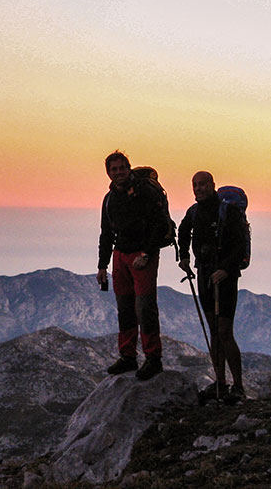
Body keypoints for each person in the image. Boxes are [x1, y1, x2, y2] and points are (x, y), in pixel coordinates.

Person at [97, 150, 171, 381]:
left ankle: (153, 359)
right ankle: (128, 356)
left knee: (145, 307)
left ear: (128, 168)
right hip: (121, 255)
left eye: (122, 168)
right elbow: (106, 233)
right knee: (125, 307)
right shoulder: (109, 200)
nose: (118, 172)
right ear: (108, 173)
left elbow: (159, 225)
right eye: (114, 169)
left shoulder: (145, 193)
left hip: (142, 255)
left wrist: (147, 254)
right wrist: (102, 265)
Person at [178, 171, 246, 399]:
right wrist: (184, 256)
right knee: (214, 332)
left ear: (212, 185)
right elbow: (183, 231)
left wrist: (225, 268)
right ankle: (221, 384)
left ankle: (238, 387)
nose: (198, 188)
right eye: (195, 185)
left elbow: (239, 245)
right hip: (205, 274)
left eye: (203, 184)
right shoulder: (194, 212)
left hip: (225, 278)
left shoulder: (228, 211)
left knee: (225, 331)